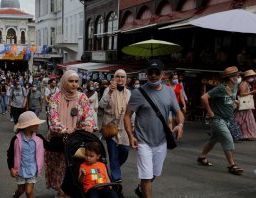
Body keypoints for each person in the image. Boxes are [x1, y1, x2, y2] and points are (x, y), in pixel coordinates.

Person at [123, 59, 184, 198]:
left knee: (154, 174)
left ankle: (141, 189)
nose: (154, 75)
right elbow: (127, 116)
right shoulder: (138, 93)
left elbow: (178, 112)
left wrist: (180, 125)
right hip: (143, 141)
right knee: (146, 176)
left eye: (157, 72)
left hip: (161, 141)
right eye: (151, 72)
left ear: (162, 74)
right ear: (146, 74)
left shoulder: (169, 91)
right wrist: (131, 135)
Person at [45, 70, 95, 197]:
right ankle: (61, 193)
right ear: (64, 81)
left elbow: (89, 115)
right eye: (71, 81)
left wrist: (88, 126)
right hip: (59, 141)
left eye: (76, 81)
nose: (74, 84)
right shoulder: (55, 98)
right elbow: (53, 119)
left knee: (73, 169)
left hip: (76, 141)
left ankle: (69, 193)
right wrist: (64, 129)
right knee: (60, 169)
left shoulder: (82, 97)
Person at [198, 66, 244, 175]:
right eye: (235, 75)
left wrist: (235, 103)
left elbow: (229, 101)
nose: (238, 76)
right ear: (229, 77)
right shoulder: (220, 88)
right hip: (218, 119)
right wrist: (210, 112)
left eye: (238, 74)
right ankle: (232, 165)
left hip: (227, 119)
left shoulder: (235, 87)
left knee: (213, 140)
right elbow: (204, 97)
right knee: (228, 139)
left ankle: (202, 157)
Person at [99, 69, 131, 183]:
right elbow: (101, 105)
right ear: (114, 78)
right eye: (118, 76)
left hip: (124, 128)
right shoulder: (108, 90)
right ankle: (116, 179)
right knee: (113, 154)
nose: (120, 79)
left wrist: (133, 126)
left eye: (123, 77)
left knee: (125, 151)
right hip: (110, 128)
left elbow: (131, 111)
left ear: (126, 79)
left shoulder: (129, 93)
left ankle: (113, 169)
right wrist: (110, 93)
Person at [7, 111, 46, 198]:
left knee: (29, 191)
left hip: (32, 170)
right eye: (35, 124)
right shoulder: (16, 139)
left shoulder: (39, 138)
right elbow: (10, 154)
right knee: (21, 190)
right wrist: (11, 168)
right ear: (27, 126)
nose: (37, 125)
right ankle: (15, 196)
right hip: (20, 170)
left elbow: (50, 146)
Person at [234, 70, 256, 140]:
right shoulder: (243, 83)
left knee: (245, 120)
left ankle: (245, 135)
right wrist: (252, 92)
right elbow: (242, 94)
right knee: (242, 119)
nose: (253, 78)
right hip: (244, 104)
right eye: (252, 77)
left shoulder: (246, 83)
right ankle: (241, 134)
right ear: (248, 77)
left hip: (246, 105)